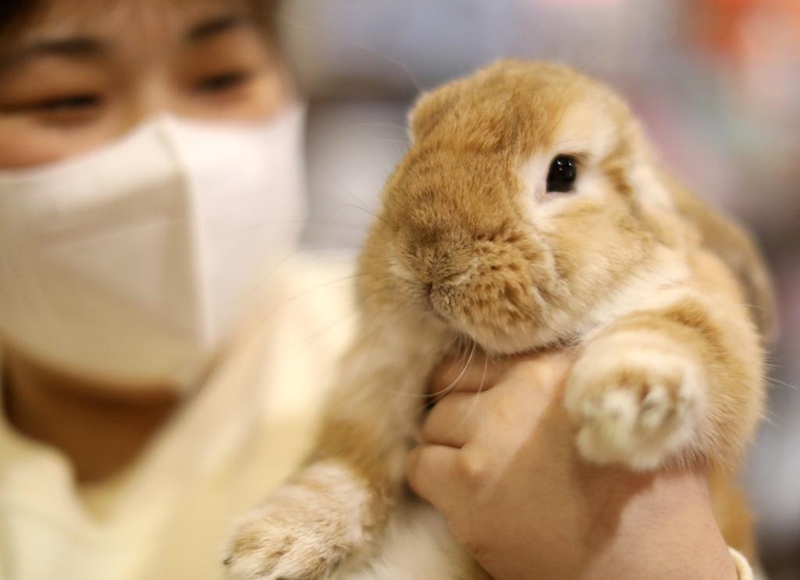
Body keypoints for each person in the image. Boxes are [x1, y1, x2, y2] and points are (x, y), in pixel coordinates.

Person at [0, 1, 756, 579]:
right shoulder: (377, 316)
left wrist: (654, 554)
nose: (169, 153)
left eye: (221, 77)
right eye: (64, 97)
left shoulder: (343, 315)